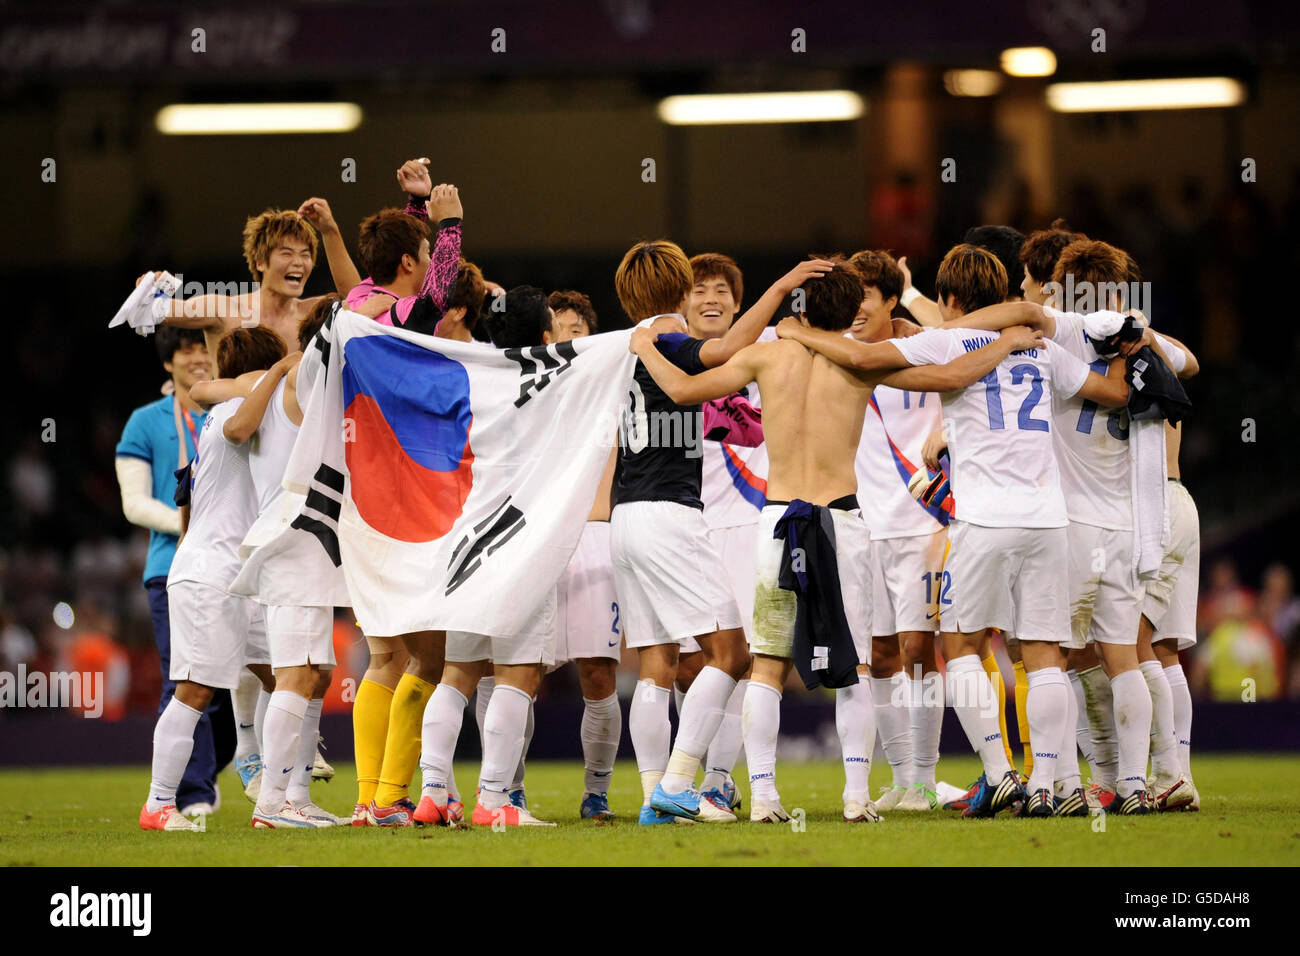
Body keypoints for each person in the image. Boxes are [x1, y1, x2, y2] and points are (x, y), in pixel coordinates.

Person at [632, 257, 1045, 822]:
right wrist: (1006, 344)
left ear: (800, 307)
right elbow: (950, 378)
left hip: (777, 522)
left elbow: (681, 391)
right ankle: (856, 798)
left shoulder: (764, 355)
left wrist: (644, 346)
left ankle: (766, 798)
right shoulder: (861, 364)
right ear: (851, 311)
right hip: (843, 522)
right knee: (855, 670)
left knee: (768, 666)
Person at [787, 245, 1131, 818]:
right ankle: (1046, 784)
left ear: (947, 300)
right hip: (1049, 518)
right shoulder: (1040, 345)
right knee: (1045, 653)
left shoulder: (948, 340)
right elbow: (1115, 393)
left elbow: (862, 359)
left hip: (982, 518)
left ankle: (999, 773)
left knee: (962, 647)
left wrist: (797, 332)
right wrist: (1130, 344)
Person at [610, 242, 827, 826]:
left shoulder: (618, 347)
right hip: (667, 514)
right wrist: (781, 287)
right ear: (680, 288)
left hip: (624, 516)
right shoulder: (668, 338)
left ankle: (656, 794)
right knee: (730, 652)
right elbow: (729, 349)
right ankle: (681, 783)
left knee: (656, 660)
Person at [139, 327, 288, 830]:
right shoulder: (230, 413)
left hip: (237, 573)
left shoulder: (234, 412)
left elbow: (190, 489)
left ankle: (278, 791)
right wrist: (280, 372)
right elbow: (240, 431)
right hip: (209, 574)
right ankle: (159, 803)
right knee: (195, 690)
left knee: (286, 675)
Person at [844, 250, 948, 814]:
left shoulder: (924, 343)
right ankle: (903, 777)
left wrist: (911, 293)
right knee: (879, 655)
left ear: (887, 299)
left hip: (920, 522)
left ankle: (926, 780)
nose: (856, 308)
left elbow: (962, 336)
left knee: (918, 650)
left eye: (867, 295)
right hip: (864, 523)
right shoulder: (837, 350)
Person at [116, 326, 229, 817]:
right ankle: (193, 792)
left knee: (232, 684)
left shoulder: (228, 411)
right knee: (182, 676)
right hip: (171, 566)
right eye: (186, 350)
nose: (197, 358)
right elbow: (134, 503)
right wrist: (186, 526)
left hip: (231, 563)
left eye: (205, 348)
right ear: (169, 363)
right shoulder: (144, 422)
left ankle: (218, 767)